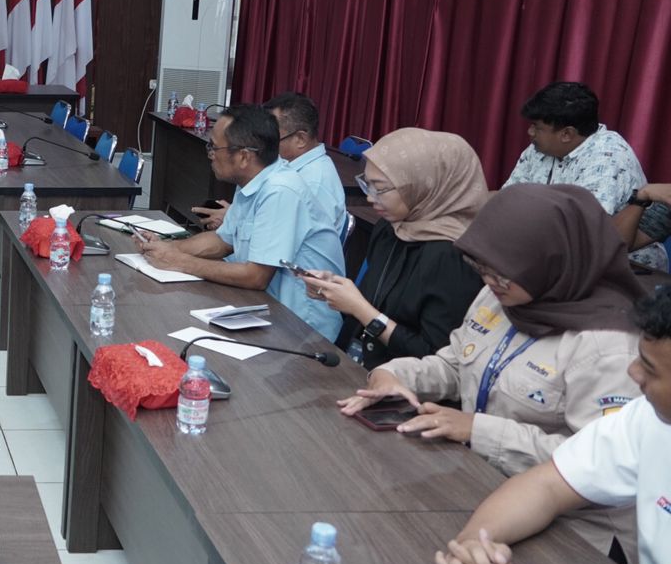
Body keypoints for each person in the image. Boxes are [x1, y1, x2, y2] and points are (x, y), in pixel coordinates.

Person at [339, 184, 644, 556]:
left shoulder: (608, 347)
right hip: (480, 484)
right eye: (483, 269)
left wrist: (478, 430)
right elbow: (456, 363)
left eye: (504, 273)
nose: (490, 282)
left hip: (577, 534)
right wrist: (396, 375)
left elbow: (599, 462)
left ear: (553, 262)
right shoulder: (503, 295)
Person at [434, 291, 671, 564]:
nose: (633, 373)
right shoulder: (648, 417)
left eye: (650, 369)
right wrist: (475, 547)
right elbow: (547, 485)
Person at [133, 104, 345, 340]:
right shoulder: (253, 179)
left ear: (244, 156)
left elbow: (256, 276)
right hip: (263, 308)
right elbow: (222, 240)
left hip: (301, 329)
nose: (210, 154)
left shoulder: (281, 190)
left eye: (214, 147)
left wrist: (179, 261)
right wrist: (166, 247)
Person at [298, 128, 487, 369]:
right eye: (367, 184)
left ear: (423, 185)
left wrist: (360, 308)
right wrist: (336, 290)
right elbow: (377, 300)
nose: (370, 198)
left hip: (403, 381)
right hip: (356, 361)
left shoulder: (454, 256)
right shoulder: (391, 227)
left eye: (381, 188)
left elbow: (436, 359)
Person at [503, 81, 644, 247]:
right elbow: (509, 199)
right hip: (547, 248)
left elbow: (581, 230)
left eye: (537, 127)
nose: (530, 132)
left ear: (567, 134)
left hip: (616, 258)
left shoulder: (607, 156)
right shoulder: (540, 148)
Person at [192, 92, 345, 233]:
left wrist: (233, 220)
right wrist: (234, 215)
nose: (264, 142)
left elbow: (284, 239)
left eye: (273, 137)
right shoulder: (278, 167)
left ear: (300, 139)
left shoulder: (313, 184)